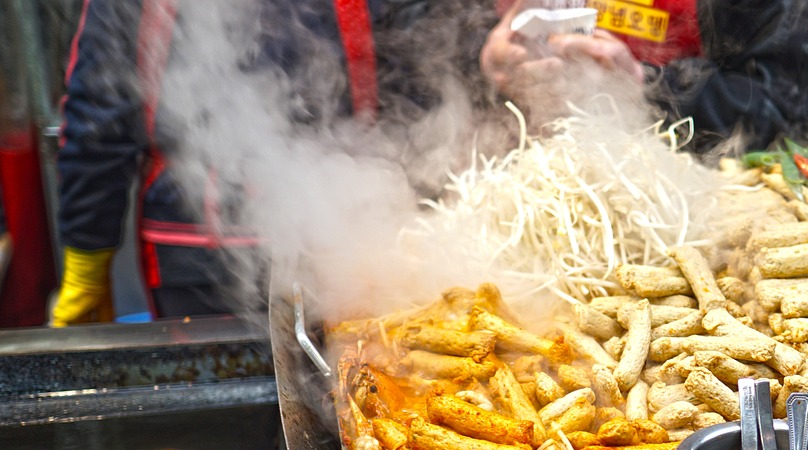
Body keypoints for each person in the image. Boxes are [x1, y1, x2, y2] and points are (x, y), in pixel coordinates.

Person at [51, 0, 493, 326]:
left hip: (337, 252)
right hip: (324, 244)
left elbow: (98, 116)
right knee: (339, 407)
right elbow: (425, 86)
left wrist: (88, 256)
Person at [482, 0, 808, 154]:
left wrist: (644, 86)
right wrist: (485, 53)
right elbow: (434, 29)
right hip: (512, 167)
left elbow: (789, 118)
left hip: (688, 204)